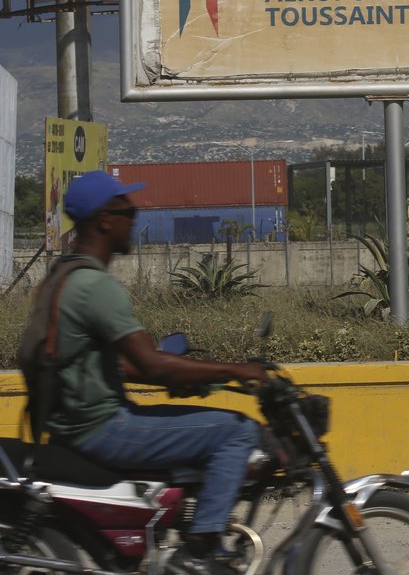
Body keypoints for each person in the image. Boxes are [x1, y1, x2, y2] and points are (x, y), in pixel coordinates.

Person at [44, 170, 268, 574]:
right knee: (237, 431)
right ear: (105, 220)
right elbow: (149, 361)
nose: (136, 217)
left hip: (71, 421)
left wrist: (195, 376)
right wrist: (238, 369)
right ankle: (200, 550)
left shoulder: (63, 276)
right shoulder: (95, 286)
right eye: (128, 209)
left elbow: (119, 364)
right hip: (103, 427)